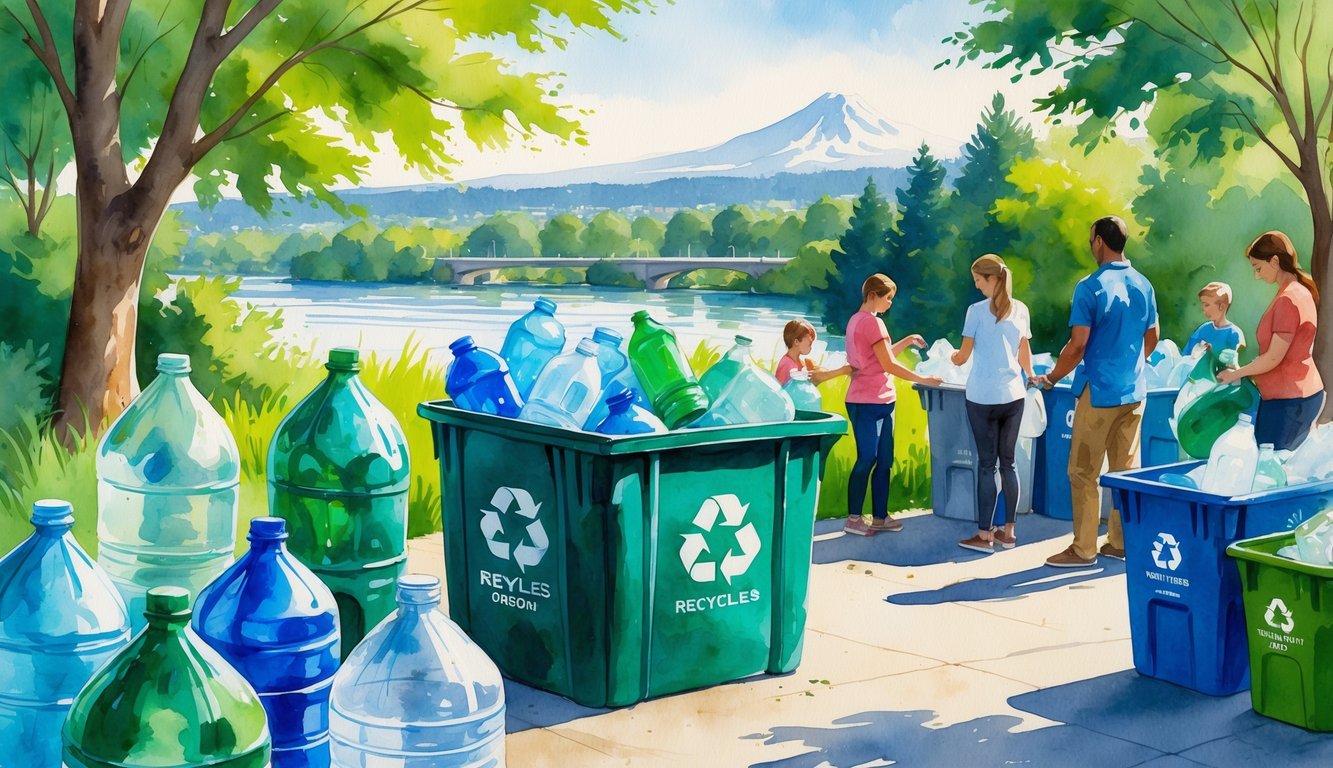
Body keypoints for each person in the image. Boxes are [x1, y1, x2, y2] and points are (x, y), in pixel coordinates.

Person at [1034, 216, 1159, 567]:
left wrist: (1053, 378)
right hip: (1134, 392)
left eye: (1092, 241)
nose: (1091, 246)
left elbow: (1077, 345)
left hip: (1099, 392)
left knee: (1083, 472)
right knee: (1125, 472)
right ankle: (1120, 543)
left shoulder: (1089, 287)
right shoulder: (1143, 284)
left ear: (1100, 243)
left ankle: (1084, 548)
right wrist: (1130, 363)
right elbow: (1152, 337)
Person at [843, 274, 942, 536]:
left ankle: (880, 516)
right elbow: (887, 365)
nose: (889, 304)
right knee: (868, 458)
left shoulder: (856, 321)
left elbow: (881, 357)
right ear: (873, 295)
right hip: (867, 401)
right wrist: (923, 379)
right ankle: (853, 518)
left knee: (884, 460)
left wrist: (908, 340)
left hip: (880, 400)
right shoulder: (873, 323)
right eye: (888, 298)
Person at [949, 255, 1034, 553]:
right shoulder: (1021, 310)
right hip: (1013, 395)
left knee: (987, 466)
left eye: (979, 280)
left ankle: (984, 535)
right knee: (1008, 464)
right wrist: (1032, 374)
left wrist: (951, 358)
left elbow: (963, 356)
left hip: (982, 397)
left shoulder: (975, 312)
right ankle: (1008, 533)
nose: (976, 286)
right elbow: (1024, 352)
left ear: (992, 279)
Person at [1217, 231, 1323, 450]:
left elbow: (1274, 358)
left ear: (1274, 261)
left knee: (1272, 471)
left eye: (1258, 268)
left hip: (1288, 403)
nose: (1257, 276)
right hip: (1297, 398)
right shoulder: (1299, 292)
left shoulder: (1288, 300)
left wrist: (1235, 374)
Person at [775, 319, 853, 385]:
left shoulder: (800, 362)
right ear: (796, 342)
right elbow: (780, 389)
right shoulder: (787, 364)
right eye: (809, 343)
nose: (811, 340)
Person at [1183, 282, 1245, 355]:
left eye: (1207, 305)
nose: (1203, 309)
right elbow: (1187, 352)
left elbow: (1230, 360)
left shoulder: (1234, 333)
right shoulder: (1203, 329)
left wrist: (1211, 350)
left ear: (1221, 306)